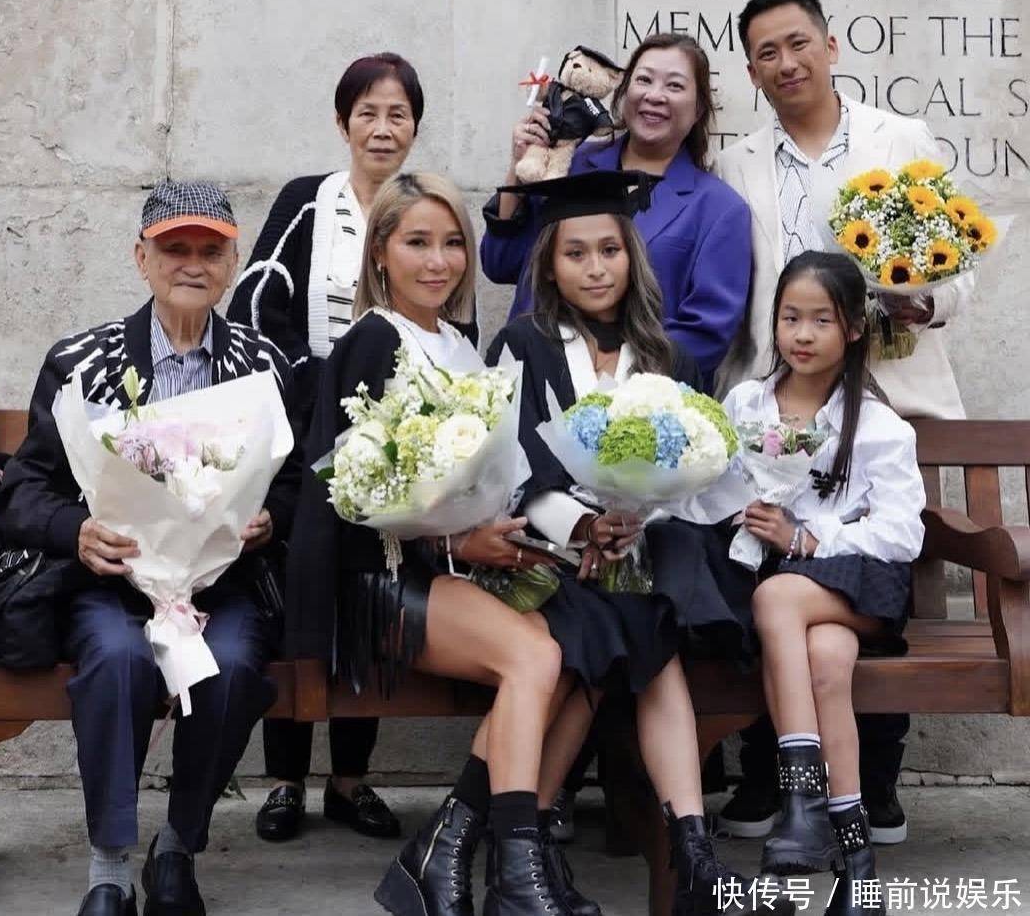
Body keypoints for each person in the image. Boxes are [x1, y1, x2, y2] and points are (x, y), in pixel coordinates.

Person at [0, 180, 303, 916]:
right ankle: (108, 869)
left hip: (221, 585)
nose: (192, 264)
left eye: (210, 251)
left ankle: (177, 847)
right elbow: (23, 487)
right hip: (112, 582)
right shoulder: (83, 361)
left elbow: (296, 482)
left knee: (232, 665)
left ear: (232, 265)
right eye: (174, 248)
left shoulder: (266, 365)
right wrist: (77, 531)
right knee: (119, 659)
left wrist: (270, 517)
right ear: (142, 258)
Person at [489, 171, 789, 916]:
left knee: (640, 620)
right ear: (548, 265)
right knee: (637, 631)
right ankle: (690, 856)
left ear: (632, 257)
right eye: (576, 253)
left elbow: (697, 477)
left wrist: (636, 519)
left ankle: (549, 847)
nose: (595, 268)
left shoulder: (669, 357)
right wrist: (582, 526)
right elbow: (508, 469)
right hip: (547, 558)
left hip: (642, 557)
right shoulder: (523, 343)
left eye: (610, 250)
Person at [714, 0, 970, 843]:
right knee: (768, 569)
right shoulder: (739, 162)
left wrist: (918, 297)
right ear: (752, 71)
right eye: (767, 53)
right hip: (783, 396)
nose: (786, 63)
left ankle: (877, 779)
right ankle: (769, 773)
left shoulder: (900, 139)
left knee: (880, 581)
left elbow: (958, 273)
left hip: (892, 388)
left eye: (799, 43)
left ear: (829, 46)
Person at [286, 171, 574, 916]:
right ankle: (516, 873)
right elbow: (353, 493)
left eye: (452, 243)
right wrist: (453, 542)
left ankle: (444, 850)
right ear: (380, 251)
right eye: (417, 242)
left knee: (568, 651)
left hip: (449, 571)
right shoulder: (374, 338)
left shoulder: (459, 345)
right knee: (534, 658)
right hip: (380, 583)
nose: (439, 261)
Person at [228, 53, 424, 843]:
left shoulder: (421, 207)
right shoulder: (307, 201)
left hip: (391, 435)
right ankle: (284, 779)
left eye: (398, 113)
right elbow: (255, 303)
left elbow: (450, 315)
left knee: (367, 594)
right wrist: (315, 387)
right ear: (343, 122)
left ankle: (350, 778)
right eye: (367, 112)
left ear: (415, 127)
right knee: (295, 593)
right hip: (305, 432)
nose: (382, 127)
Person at [732, 251, 925, 916]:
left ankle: (801, 800)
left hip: (857, 584)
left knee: (778, 594)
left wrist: (810, 539)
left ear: (853, 328)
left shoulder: (876, 423)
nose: (803, 334)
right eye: (791, 317)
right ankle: (858, 870)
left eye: (821, 319)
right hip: (799, 608)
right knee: (826, 661)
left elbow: (902, 533)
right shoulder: (747, 403)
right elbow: (712, 492)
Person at [481, 33, 751, 391]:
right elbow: (499, 264)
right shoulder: (571, 163)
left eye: (674, 85)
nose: (655, 95)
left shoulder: (720, 209)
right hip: (531, 379)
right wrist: (520, 165)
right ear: (623, 92)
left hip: (639, 398)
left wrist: (611, 383)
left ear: (699, 107)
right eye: (644, 80)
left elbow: (706, 334)